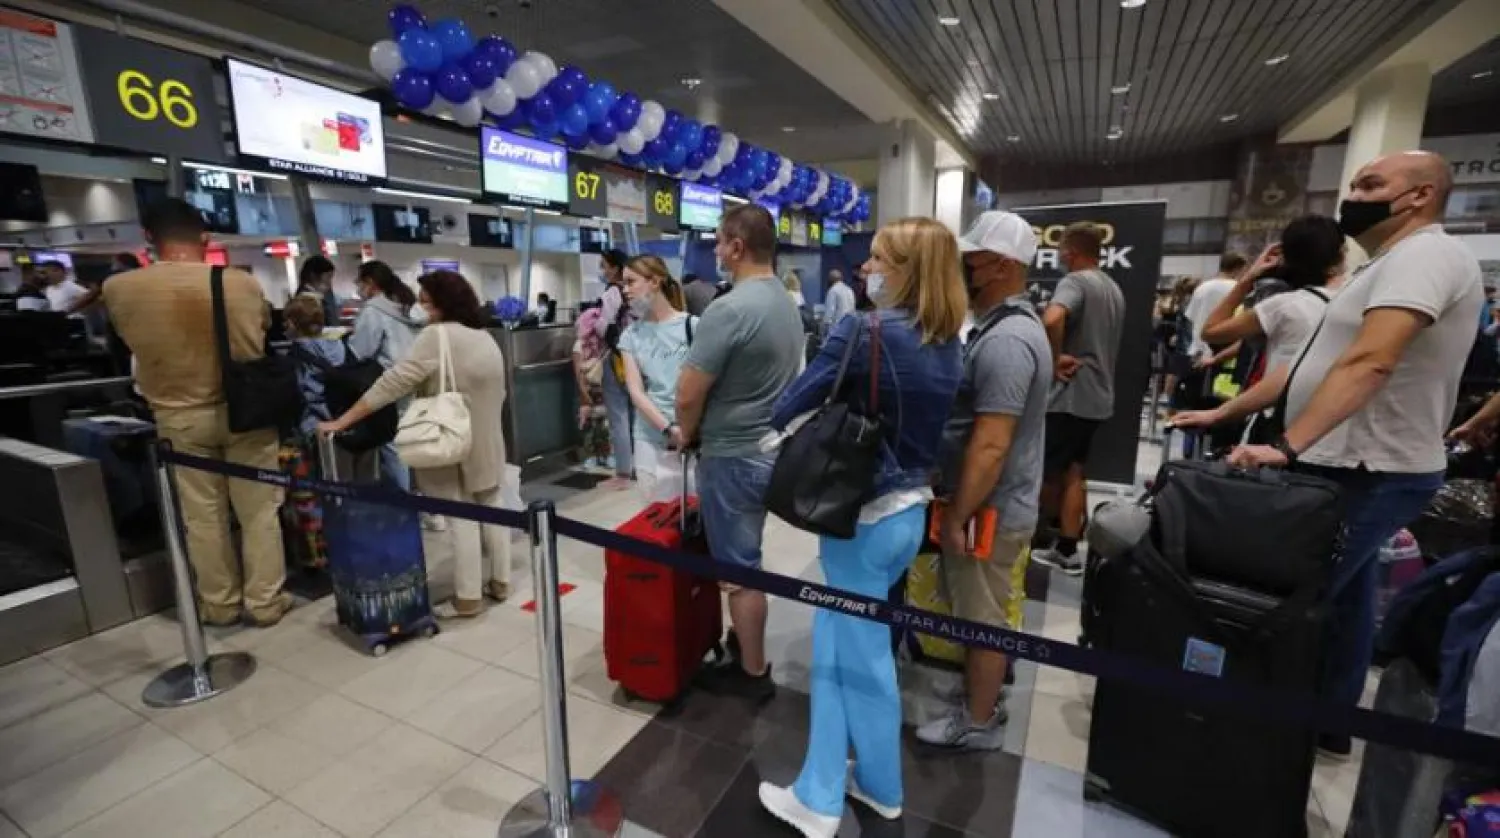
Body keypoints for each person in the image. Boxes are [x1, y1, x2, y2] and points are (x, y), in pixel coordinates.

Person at [1229, 151, 1483, 759]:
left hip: (1368, 467)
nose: (1355, 194)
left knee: (1295, 600)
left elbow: (1373, 360)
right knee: (1344, 605)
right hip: (1357, 463)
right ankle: (1328, 721)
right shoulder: (1392, 261)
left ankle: (1253, 735)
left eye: (1372, 184)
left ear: (1420, 196)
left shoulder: (1426, 255)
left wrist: (1289, 445)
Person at [757, 217, 966, 834]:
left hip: (864, 518)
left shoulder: (865, 330)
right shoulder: (948, 337)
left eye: (878, 259)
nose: (867, 269)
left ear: (906, 269)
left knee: (853, 658)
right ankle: (878, 784)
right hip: (909, 512)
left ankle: (819, 798)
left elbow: (792, 402)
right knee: (849, 644)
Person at [102, 199, 291, 626]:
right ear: (205, 238)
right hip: (247, 411)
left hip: (178, 417)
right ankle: (264, 602)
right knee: (259, 511)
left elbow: (123, 342)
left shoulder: (120, 288)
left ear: (149, 239)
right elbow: (261, 334)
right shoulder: (240, 284)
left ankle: (219, 605)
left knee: (202, 517)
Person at [914, 210, 1052, 750]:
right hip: (988, 503)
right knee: (978, 612)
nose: (959, 269)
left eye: (968, 259)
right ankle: (979, 699)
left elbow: (991, 444)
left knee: (984, 617)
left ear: (998, 265)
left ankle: (978, 719)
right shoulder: (1006, 329)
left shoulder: (1007, 342)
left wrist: (957, 515)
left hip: (988, 509)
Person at [319, 271, 514, 616]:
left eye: (425, 300)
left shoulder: (435, 336)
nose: (418, 306)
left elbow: (393, 383)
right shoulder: (484, 336)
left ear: (442, 303)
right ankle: (500, 581)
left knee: (461, 518)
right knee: (492, 507)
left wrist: (344, 420)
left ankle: (468, 598)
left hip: (450, 440)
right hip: (488, 438)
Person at [676, 204, 803, 700]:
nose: (714, 249)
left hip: (731, 456)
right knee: (746, 560)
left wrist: (685, 432)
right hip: (769, 448)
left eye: (718, 241)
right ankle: (743, 645)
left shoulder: (728, 309)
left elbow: (689, 393)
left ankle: (752, 672)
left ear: (737, 246)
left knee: (739, 572)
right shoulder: (782, 300)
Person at [1172, 216, 1345, 438]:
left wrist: (1248, 278)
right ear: (1339, 256)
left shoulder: (1283, 306)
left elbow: (1212, 331)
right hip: (1328, 419)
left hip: (1278, 415)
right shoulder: (1354, 302)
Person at [1031, 222, 1126, 575]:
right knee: (1075, 472)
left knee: (1045, 472)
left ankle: (1033, 537)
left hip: (1071, 396)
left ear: (1070, 251)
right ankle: (1068, 547)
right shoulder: (1113, 288)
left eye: (1059, 250)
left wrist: (1054, 359)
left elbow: (1052, 318)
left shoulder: (1074, 282)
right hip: (1098, 397)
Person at [618, 256, 698, 502]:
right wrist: (667, 428)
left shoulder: (693, 327)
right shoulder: (632, 334)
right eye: (623, 284)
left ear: (654, 281)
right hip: (649, 437)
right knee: (653, 518)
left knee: (695, 518)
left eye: (631, 282)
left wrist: (687, 429)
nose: (625, 290)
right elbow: (636, 390)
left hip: (694, 437)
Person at [279, 295, 346, 570]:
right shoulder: (339, 347)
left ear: (294, 322)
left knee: (310, 494)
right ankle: (344, 541)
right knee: (340, 489)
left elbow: (300, 394)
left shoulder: (296, 355)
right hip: (341, 424)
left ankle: (318, 554)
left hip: (310, 428)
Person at [347, 260, 420, 491]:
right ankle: (427, 503)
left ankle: (405, 503)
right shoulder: (409, 306)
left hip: (391, 382)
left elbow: (360, 350)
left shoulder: (374, 310)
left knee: (393, 444)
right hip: (416, 378)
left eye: (360, 283)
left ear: (370, 283)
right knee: (418, 441)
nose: (359, 288)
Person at [593, 248, 636, 488]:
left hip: (617, 360)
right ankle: (641, 465)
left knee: (618, 417)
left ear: (616, 267)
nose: (603, 270)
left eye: (605, 265)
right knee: (638, 415)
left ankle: (623, 472)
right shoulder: (639, 292)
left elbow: (603, 327)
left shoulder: (612, 293)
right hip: (640, 359)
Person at [1182, 253, 1248, 363]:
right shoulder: (1238, 289)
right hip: (1223, 352)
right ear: (1237, 268)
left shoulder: (1201, 288)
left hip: (1197, 350)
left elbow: (1191, 317)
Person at [296, 254, 341, 329]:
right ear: (313, 276)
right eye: (328, 277)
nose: (329, 282)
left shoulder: (318, 296)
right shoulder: (304, 300)